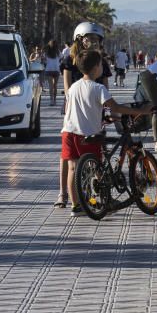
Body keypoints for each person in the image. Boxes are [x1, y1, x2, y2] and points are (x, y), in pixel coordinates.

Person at [62, 49, 151, 213]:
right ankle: (104, 200)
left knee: (73, 168)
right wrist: (143, 111)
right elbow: (115, 107)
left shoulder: (74, 87)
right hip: (87, 133)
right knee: (98, 168)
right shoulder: (98, 88)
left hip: (68, 132)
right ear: (97, 67)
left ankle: (76, 205)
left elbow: (79, 109)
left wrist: (102, 118)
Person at [55, 22, 112, 208]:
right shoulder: (70, 60)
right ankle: (63, 194)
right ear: (80, 39)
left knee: (95, 150)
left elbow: (105, 86)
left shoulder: (100, 61)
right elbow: (66, 85)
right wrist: (72, 101)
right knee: (67, 156)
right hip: (74, 107)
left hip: (94, 108)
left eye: (97, 39)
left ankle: (100, 193)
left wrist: (105, 110)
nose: (93, 42)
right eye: (90, 38)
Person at [42, 40, 61, 106]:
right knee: (55, 86)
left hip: (49, 69)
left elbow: (44, 60)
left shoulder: (46, 52)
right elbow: (62, 58)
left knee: (51, 86)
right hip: (56, 69)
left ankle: (51, 101)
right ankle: (55, 100)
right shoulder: (58, 52)